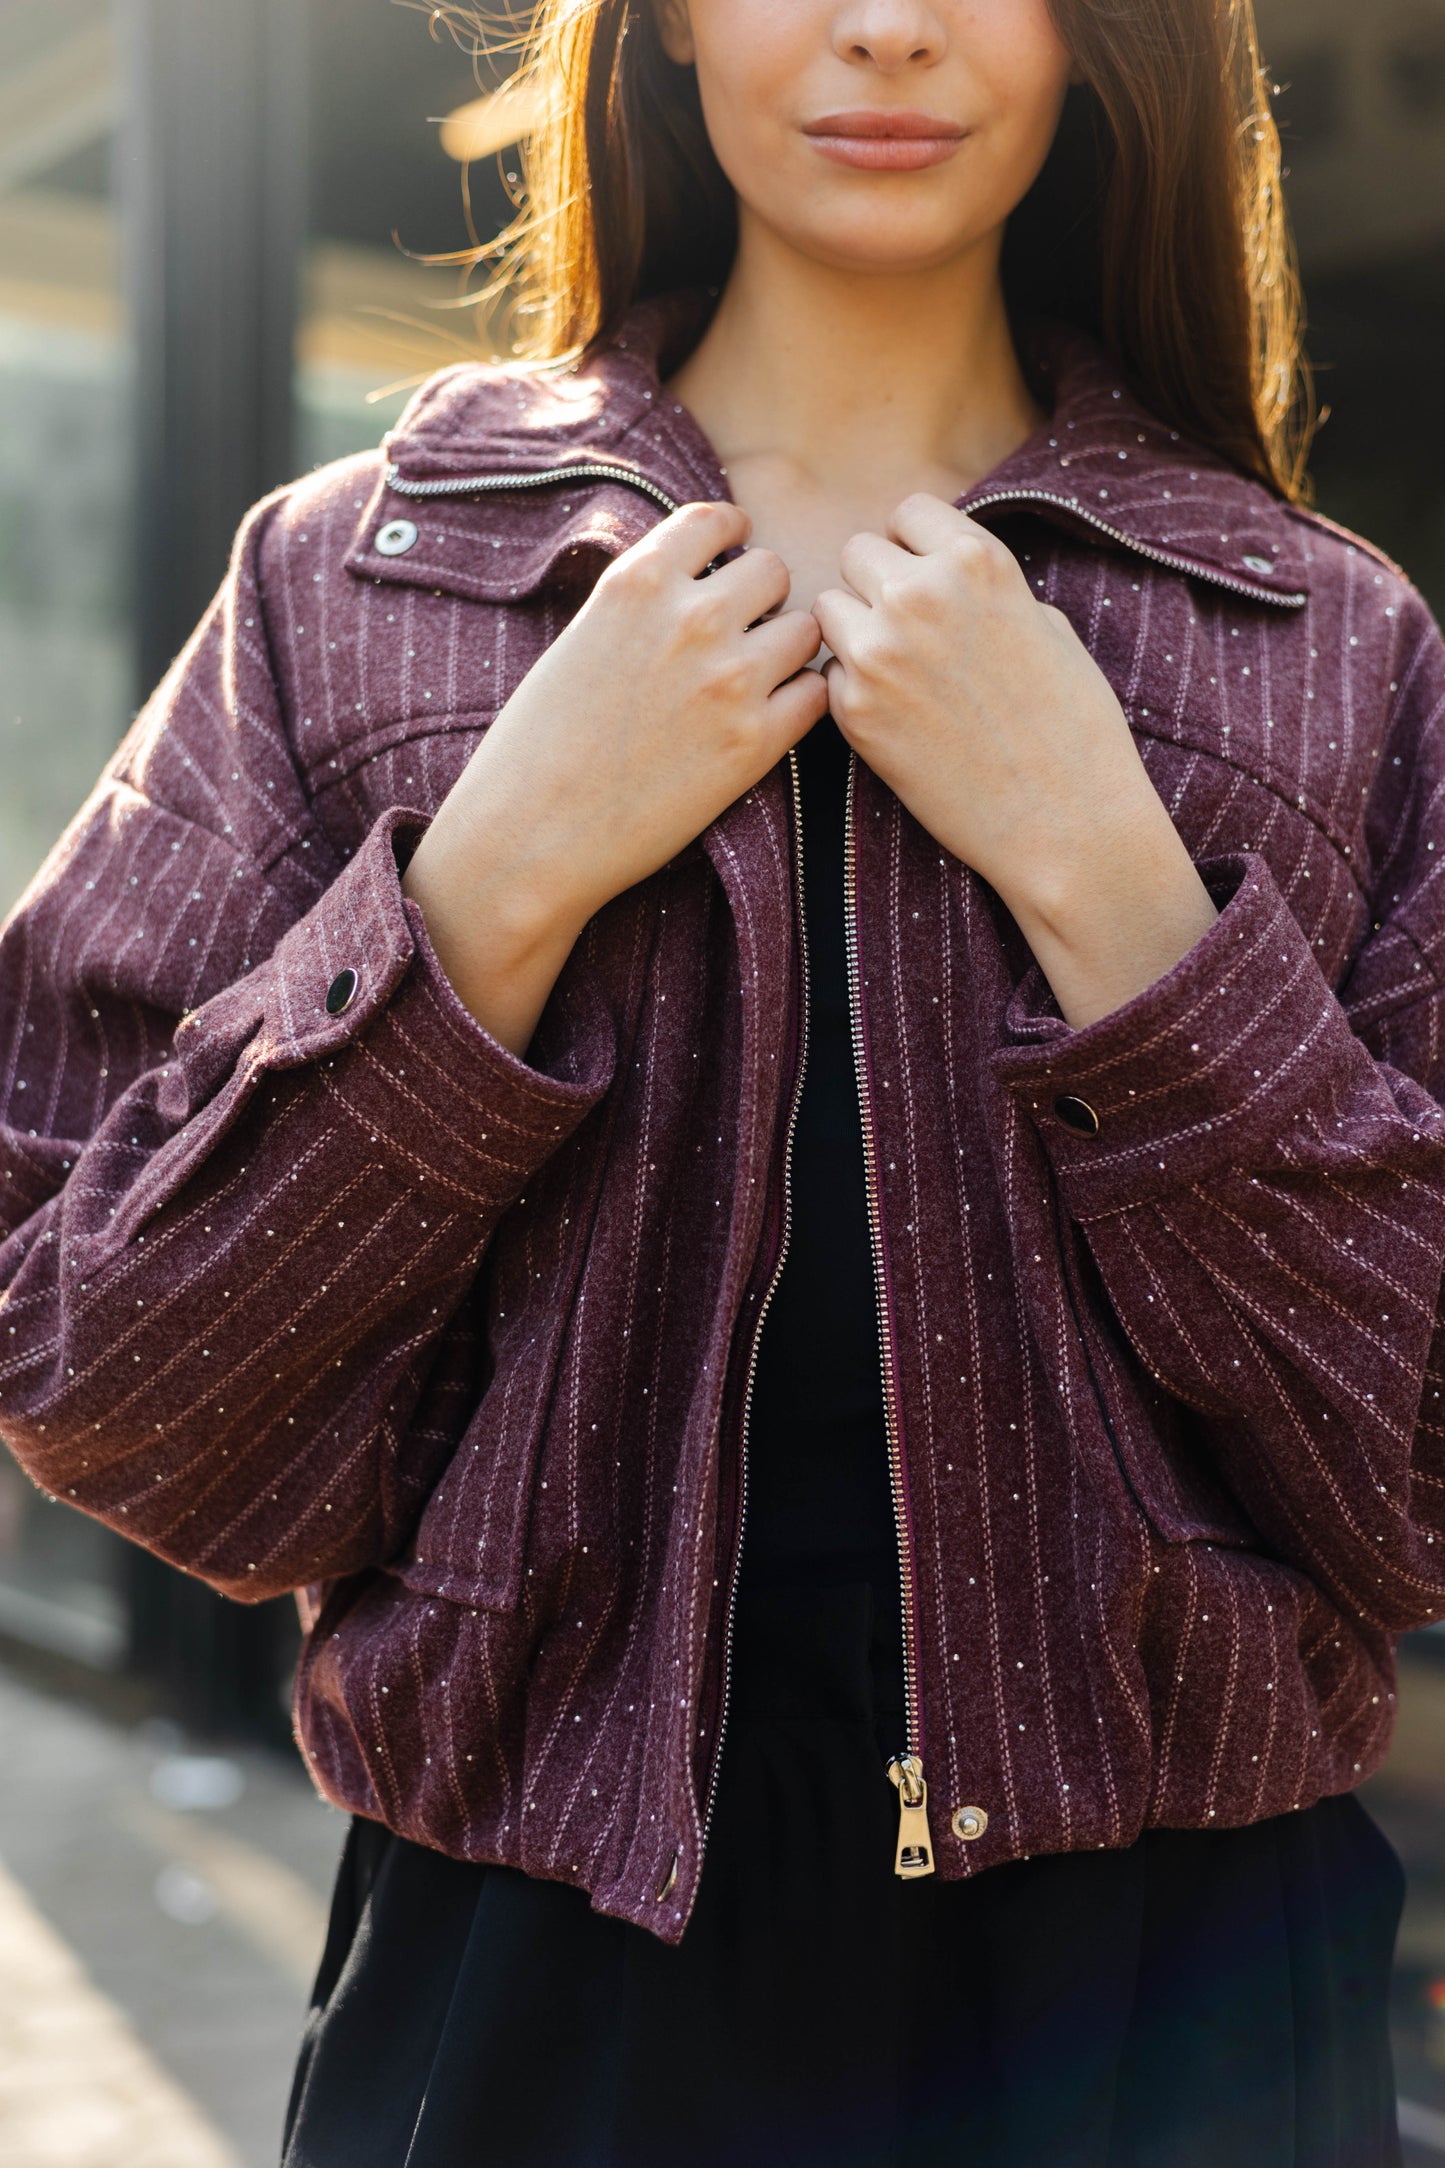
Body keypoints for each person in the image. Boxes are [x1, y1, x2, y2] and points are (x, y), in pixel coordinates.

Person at [1, 0, 1438, 2159]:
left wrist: (1128, 906)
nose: (886, 26)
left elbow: (1414, 1493)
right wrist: (486, 890)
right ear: (662, 20)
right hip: (539, 1996)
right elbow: (107, 1383)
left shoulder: (1330, 650)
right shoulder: (358, 583)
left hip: (1182, 2006)